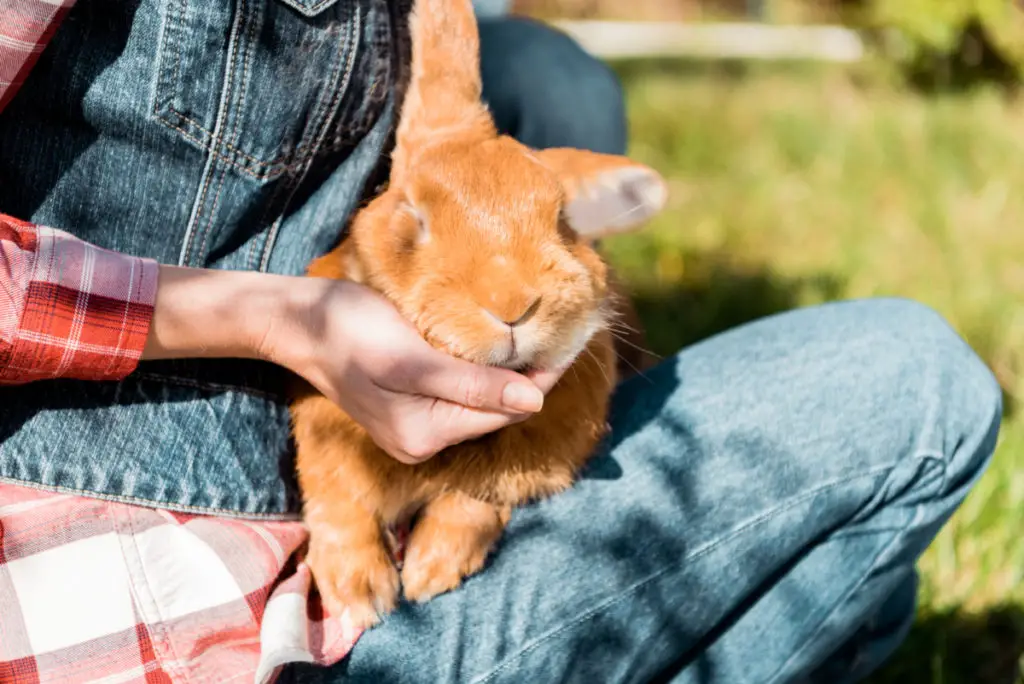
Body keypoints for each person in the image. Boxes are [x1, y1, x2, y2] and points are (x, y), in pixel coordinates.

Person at [0, 2, 1001, 683]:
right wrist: (276, 318)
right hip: (186, 618)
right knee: (913, 390)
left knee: (545, 76)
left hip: (291, 501)